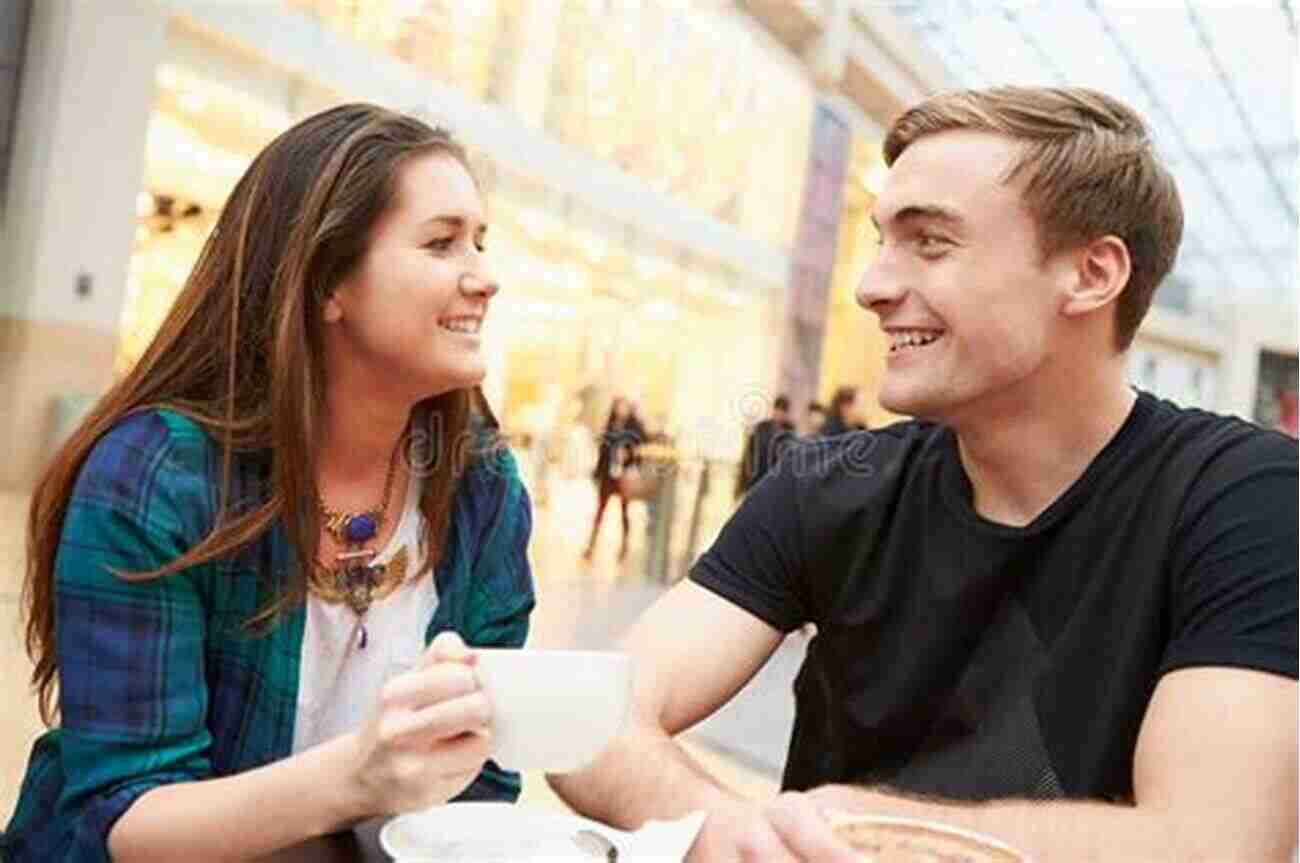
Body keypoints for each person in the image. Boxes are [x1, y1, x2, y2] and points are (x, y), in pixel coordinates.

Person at [550, 86, 1298, 862]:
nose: (871, 286)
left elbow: (1217, 844)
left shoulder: (1243, 500)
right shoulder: (830, 483)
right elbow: (591, 717)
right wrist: (729, 829)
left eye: (930, 242)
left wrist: (868, 830)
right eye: (881, 240)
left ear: (1091, 272)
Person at [3, 104, 535, 862]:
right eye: (442, 242)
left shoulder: (482, 488)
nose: (485, 278)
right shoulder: (157, 475)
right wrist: (358, 775)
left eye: (480, 242)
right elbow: (123, 816)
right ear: (328, 283)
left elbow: (480, 784)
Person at [582, 397, 647, 562]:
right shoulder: (610, 426)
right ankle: (591, 547)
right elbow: (602, 453)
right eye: (619, 406)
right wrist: (597, 473)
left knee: (624, 513)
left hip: (624, 478)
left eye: (625, 406)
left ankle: (624, 548)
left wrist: (629, 454)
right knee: (599, 512)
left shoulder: (634, 428)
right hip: (608, 477)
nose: (621, 409)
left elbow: (641, 447)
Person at [735, 395, 796, 499]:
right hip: (756, 477)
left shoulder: (789, 433)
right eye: (778, 410)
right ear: (774, 410)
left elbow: (789, 458)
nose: (779, 414)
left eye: (783, 411)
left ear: (786, 414)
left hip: (774, 481)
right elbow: (749, 454)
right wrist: (742, 482)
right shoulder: (762, 428)